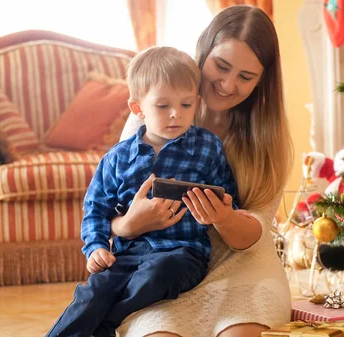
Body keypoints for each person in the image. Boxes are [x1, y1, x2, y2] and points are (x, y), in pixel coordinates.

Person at [112, 5, 294, 337]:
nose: (226, 84)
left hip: (243, 267)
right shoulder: (153, 112)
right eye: (221, 66)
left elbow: (256, 231)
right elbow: (108, 211)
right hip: (163, 265)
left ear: (262, 81)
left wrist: (224, 219)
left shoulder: (269, 136)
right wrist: (129, 225)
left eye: (245, 77)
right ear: (203, 51)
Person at [46, 46, 238, 337]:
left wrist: (222, 208)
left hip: (183, 253)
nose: (176, 115)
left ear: (197, 103)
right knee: (94, 290)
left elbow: (228, 196)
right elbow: (96, 209)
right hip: (128, 253)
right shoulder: (118, 158)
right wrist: (96, 247)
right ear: (138, 109)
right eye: (163, 106)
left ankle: (108, 324)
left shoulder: (207, 146)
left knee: (158, 274)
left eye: (186, 105)